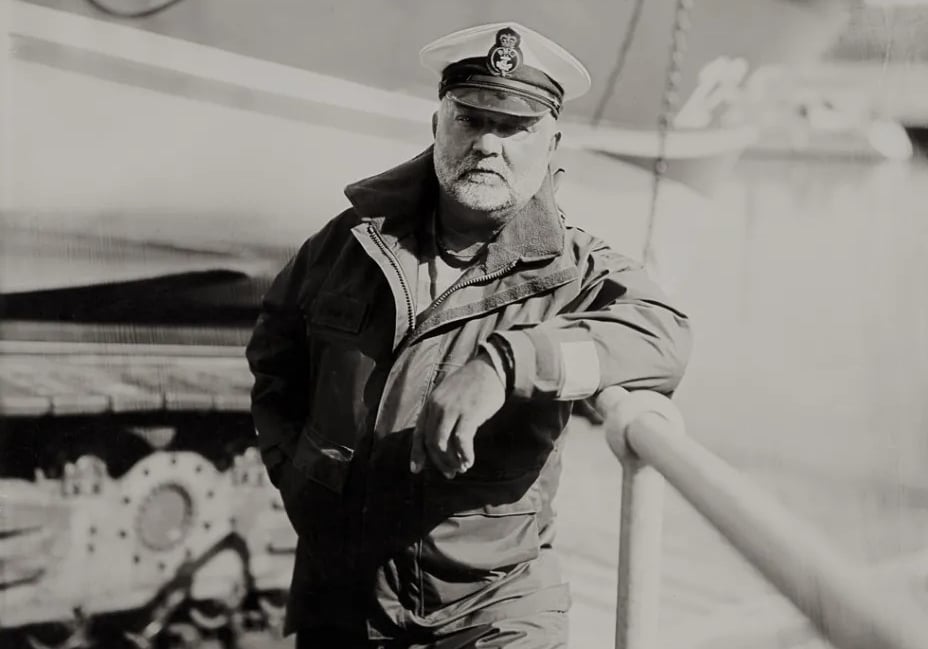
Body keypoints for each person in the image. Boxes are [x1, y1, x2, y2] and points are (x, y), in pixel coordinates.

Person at [246, 22, 691, 649]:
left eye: (514, 128)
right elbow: (274, 355)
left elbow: (664, 338)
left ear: (553, 144)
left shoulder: (576, 270)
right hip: (341, 596)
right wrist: (299, 476)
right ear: (436, 126)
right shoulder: (349, 244)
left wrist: (506, 364)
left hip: (490, 608)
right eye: (470, 120)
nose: (487, 144)